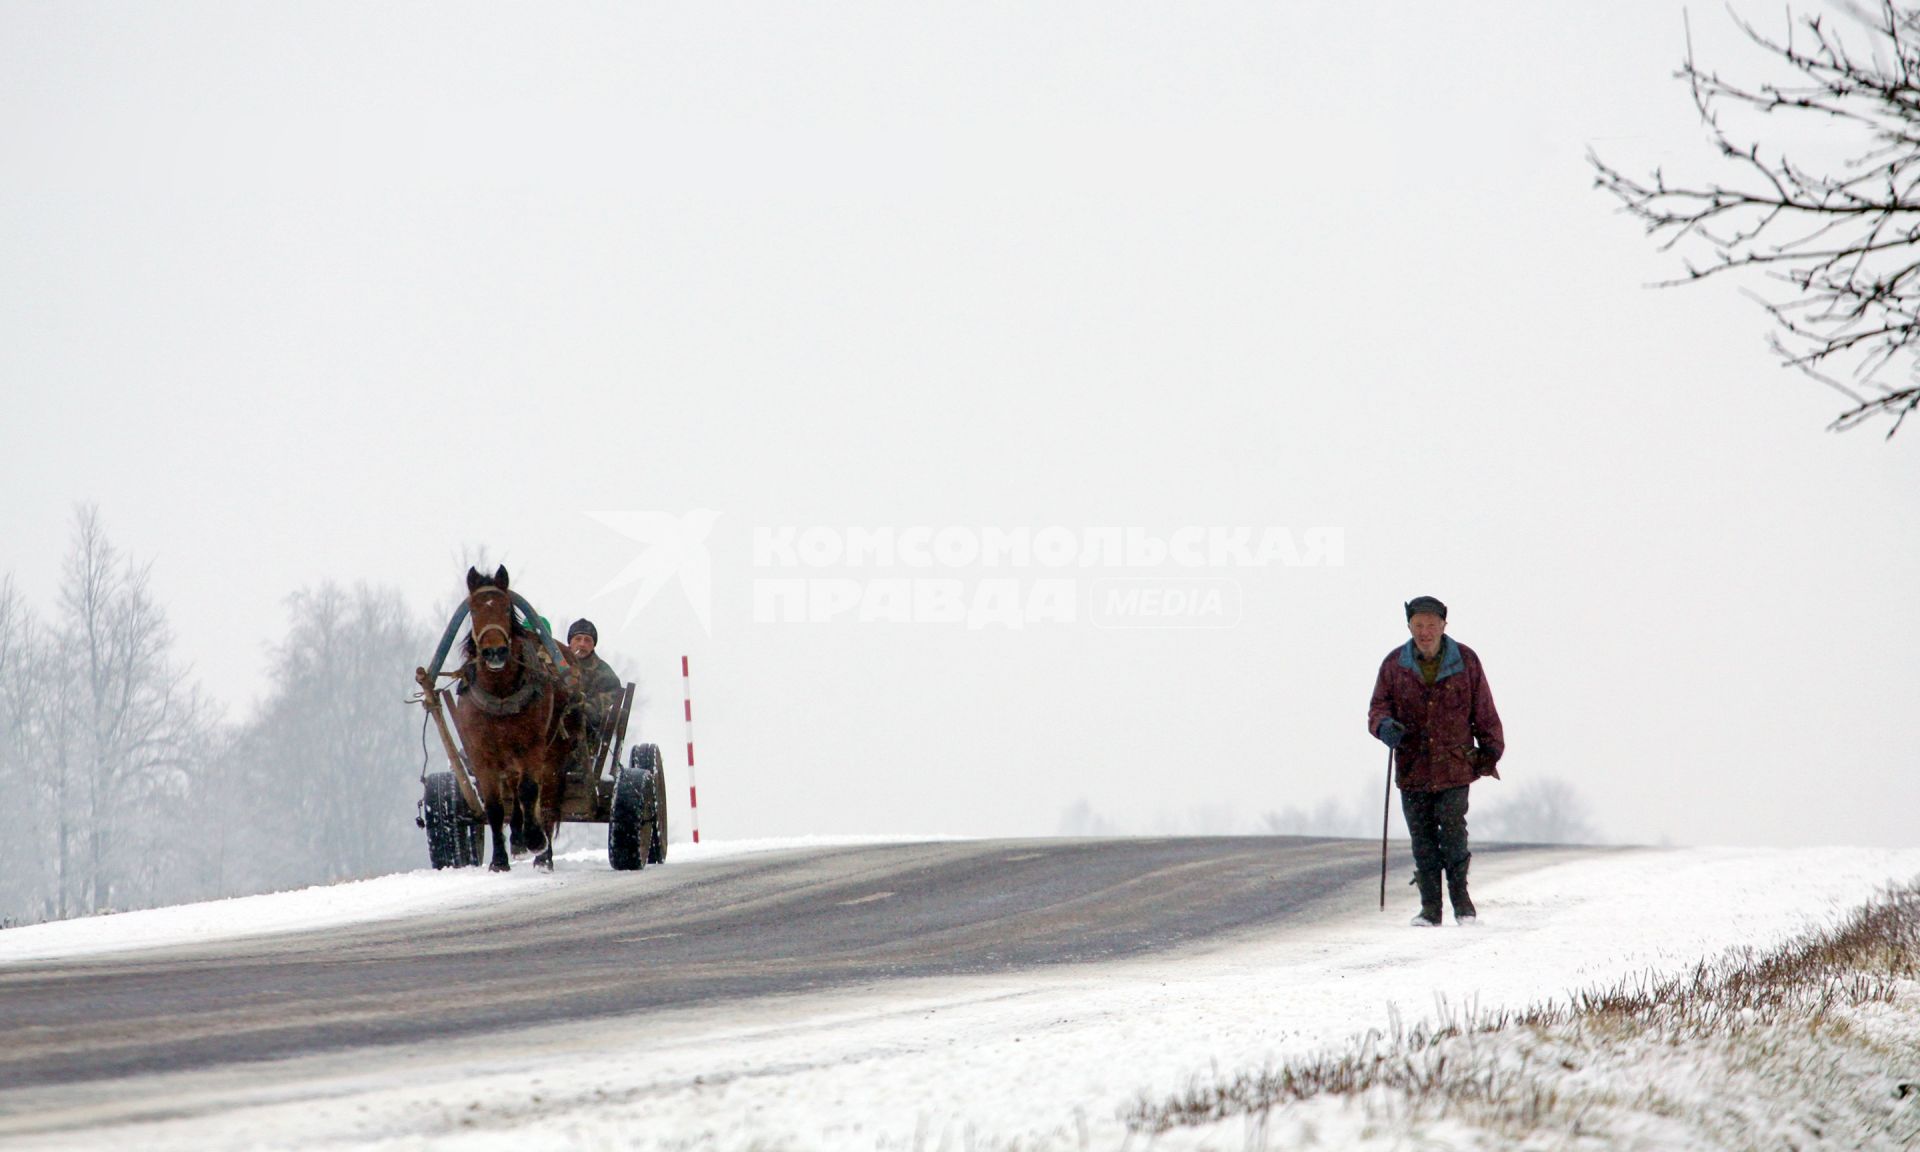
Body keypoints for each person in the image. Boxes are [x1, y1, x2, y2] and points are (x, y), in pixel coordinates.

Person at [1367, 596, 1504, 927]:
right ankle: (1430, 909)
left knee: (1453, 829)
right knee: (1422, 837)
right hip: (1412, 766)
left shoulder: (1466, 661)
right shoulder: (1393, 665)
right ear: (1409, 627)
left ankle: (1462, 904)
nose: (1425, 631)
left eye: (1431, 625)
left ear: (1444, 625)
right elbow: (1377, 709)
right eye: (1418, 625)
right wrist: (1384, 726)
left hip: (1455, 765)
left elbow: (1483, 708)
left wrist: (1491, 748)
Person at [564, 618, 624, 751]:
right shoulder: (558, 664)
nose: (582, 644)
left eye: (587, 640)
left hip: (584, 730)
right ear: (570, 643)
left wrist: (582, 707)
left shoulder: (604, 673)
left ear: (593, 645)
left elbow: (605, 701)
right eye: (578, 639)